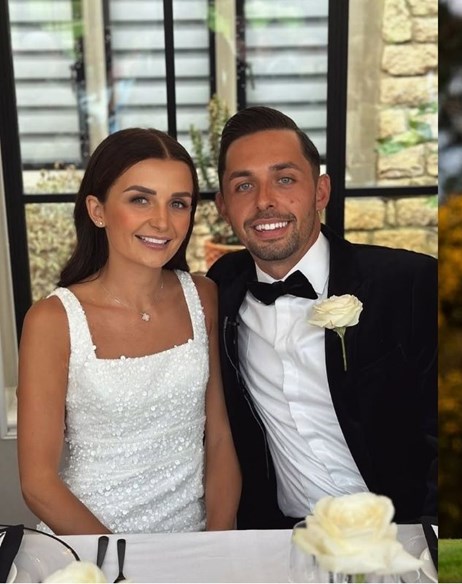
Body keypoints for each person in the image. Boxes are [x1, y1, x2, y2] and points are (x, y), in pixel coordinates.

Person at [207, 106, 437, 528]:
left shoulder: (410, 285)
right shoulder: (218, 291)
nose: (264, 202)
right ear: (223, 206)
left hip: (401, 535)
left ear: (321, 191)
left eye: (285, 179)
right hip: (282, 541)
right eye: (244, 186)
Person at [17, 128, 241, 534]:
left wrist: (215, 548)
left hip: (194, 545)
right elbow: (38, 484)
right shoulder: (53, 321)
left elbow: (221, 438)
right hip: (92, 551)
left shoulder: (203, 296)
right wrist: (126, 569)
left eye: (178, 203)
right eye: (140, 199)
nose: (162, 221)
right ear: (97, 210)